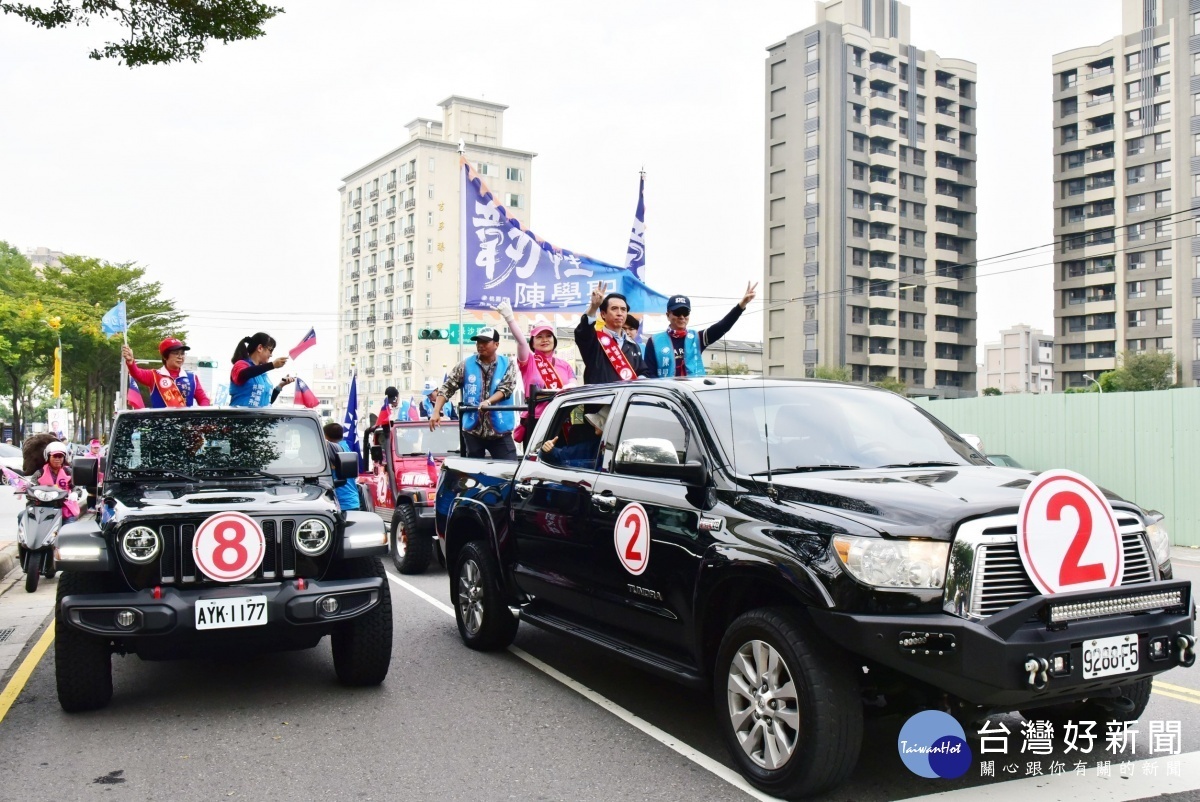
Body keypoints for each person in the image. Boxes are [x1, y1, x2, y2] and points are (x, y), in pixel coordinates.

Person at [430, 327, 518, 459]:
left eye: (485, 342)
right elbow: (447, 388)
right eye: (478, 342)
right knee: (473, 473)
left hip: (500, 432)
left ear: (496, 344)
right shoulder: (465, 365)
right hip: (473, 431)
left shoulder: (508, 364)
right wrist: (436, 411)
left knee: (509, 470)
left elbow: (506, 389)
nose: (480, 345)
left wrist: (488, 402)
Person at [495, 300, 576, 443]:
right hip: (536, 420)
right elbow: (521, 342)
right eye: (539, 336)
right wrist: (510, 319)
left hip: (560, 419)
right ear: (532, 342)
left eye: (549, 336)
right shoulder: (529, 361)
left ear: (554, 339)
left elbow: (573, 383)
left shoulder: (564, 365)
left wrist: (569, 387)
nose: (545, 340)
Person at [644, 282, 758, 378]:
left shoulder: (697, 338)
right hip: (668, 398)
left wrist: (742, 304)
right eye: (677, 312)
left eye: (685, 312)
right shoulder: (654, 341)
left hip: (693, 395)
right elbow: (650, 376)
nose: (682, 317)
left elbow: (722, 326)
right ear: (668, 315)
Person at [574, 288, 649, 385]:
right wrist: (593, 307)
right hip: (600, 398)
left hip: (626, 398)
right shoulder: (594, 339)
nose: (619, 313)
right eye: (614, 309)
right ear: (603, 314)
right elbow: (583, 331)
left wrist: (639, 381)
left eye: (623, 309)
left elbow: (643, 371)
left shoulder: (633, 345)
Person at [123, 338, 211, 407]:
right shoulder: (154, 376)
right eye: (176, 353)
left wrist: (200, 415)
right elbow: (137, 374)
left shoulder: (192, 378)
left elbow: (203, 399)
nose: (180, 357)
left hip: (186, 427)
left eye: (182, 353)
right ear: (165, 357)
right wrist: (131, 362)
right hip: (161, 427)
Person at [229, 332, 293, 407]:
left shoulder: (262, 374)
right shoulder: (240, 364)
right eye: (270, 350)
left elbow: (266, 402)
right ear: (260, 348)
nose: (271, 355)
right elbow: (243, 374)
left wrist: (280, 386)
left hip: (259, 418)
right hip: (241, 417)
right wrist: (272, 365)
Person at [540, 406, 608, 469]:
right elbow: (563, 455)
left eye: (599, 421)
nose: (594, 424)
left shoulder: (597, 447)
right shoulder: (595, 446)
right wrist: (548, 450)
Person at [37, 441, 79, 522]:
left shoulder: (68, 472)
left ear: (64, 458)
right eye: (54, 456)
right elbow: (32, 487)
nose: (57, 459)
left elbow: (76, 487)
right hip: (43, 507)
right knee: (22, 516)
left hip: (64, 509)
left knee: (70, 527)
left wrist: (75, 493)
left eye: (60, 456)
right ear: (48, 457)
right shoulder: (40, 473)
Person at [323, 423, 361, 512]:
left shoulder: (335, 449)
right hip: (350, 501)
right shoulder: (345, 447)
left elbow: (322, 442)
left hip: (344, 503)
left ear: (325, 435)